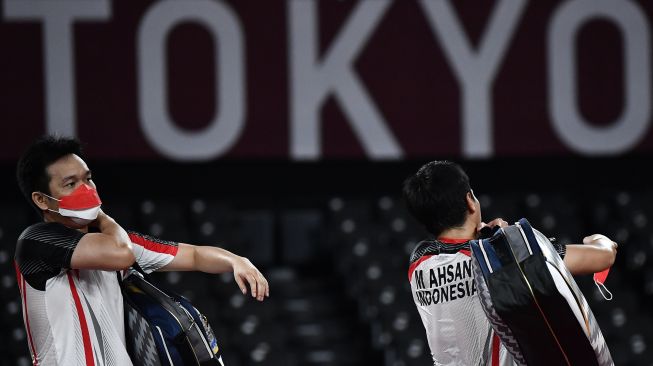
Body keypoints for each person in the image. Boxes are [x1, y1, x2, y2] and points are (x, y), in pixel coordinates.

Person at [14, 135, 270, 365]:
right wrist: (101, 215)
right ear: (41, 199)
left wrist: (237, 261)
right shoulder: (36, 242)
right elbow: (121, 253)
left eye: (88, 179)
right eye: (70, 184)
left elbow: (193, 255)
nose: (87, 190)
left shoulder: (115, 242)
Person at [402, 160, 617, 366]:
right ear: (470, 200)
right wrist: (601, 241)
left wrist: (492, 237)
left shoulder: (419, 262)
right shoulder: (506, 256)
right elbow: (603, 257)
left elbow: (455, 251)